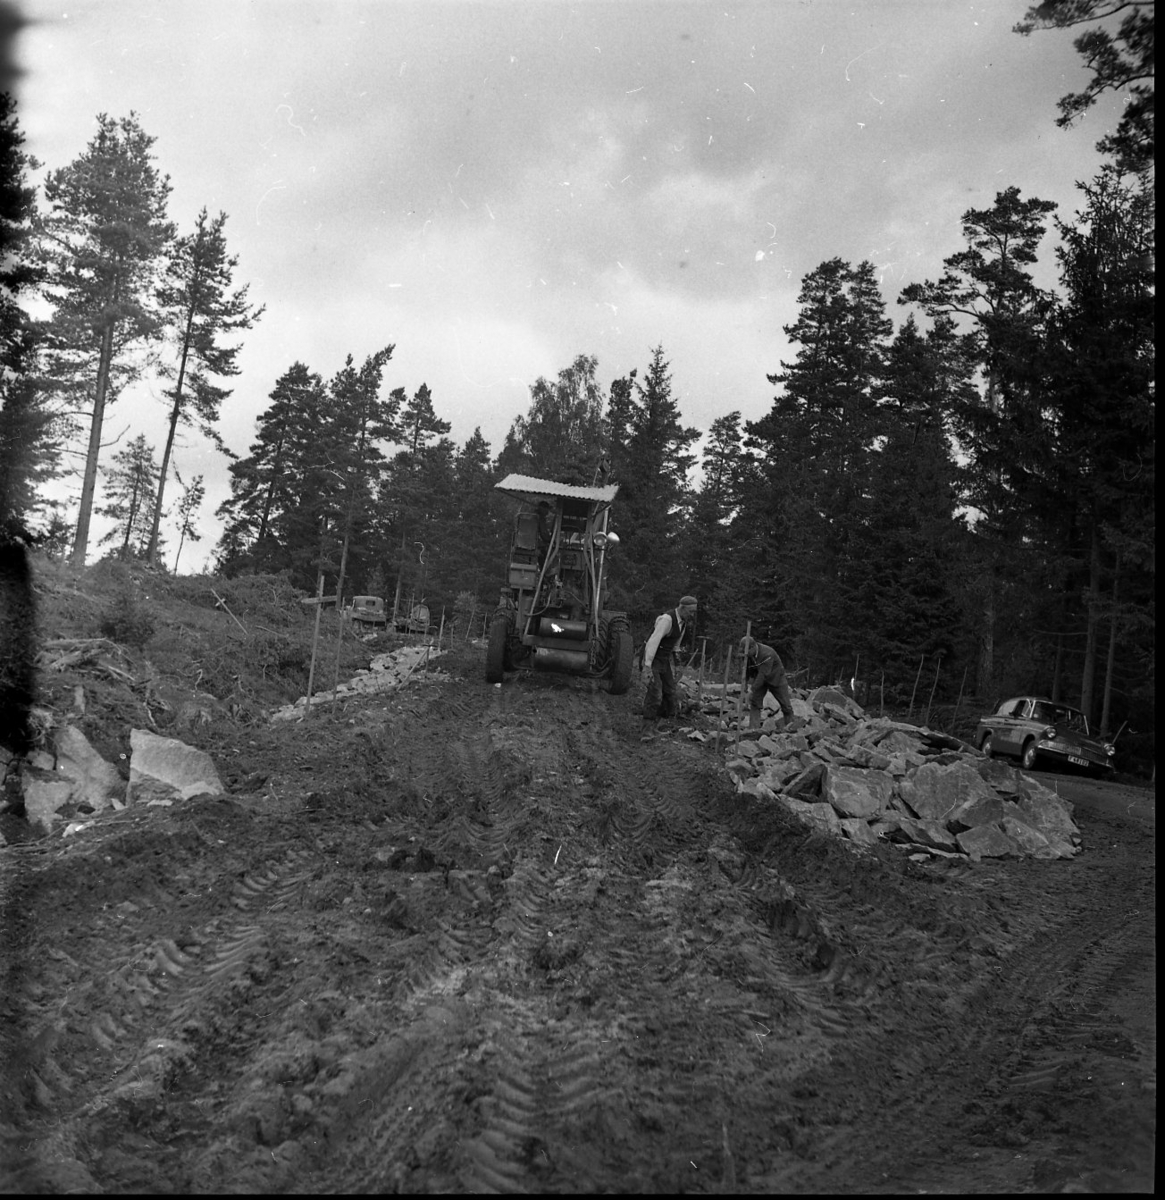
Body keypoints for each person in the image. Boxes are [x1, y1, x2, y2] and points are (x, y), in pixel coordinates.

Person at [642, 595, 698, 724]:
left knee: (670, 691)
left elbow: (675, 646)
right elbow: (652, 643)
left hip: (664, 660)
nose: (692, 615)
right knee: (655, 694)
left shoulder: (682, 623)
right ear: (682, 608)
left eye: (694, 612)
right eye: (691, 612)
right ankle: (647, 728)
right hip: (653, 659)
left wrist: (678, 665)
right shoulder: (667, 620)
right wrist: (647, 666)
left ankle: (660, 723)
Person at [740, 635, 795, 731]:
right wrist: (744, 684)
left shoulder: (767, 654)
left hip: (776, 677)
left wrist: (751, 690)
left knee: (786, 705)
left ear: (752, 647)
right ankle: (753, 729)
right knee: (755, 702)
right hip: (760, 677)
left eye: (746, 651)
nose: (745, 654)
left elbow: (763, 674)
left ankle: (790, 728)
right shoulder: (748, 655)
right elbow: (747, 670)